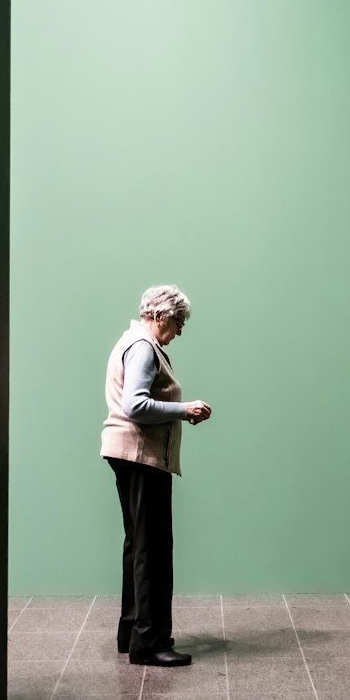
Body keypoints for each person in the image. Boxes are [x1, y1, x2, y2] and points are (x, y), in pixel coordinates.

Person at [100, 285, 212, 667]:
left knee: (138, 546)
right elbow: (136, 405)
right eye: (180, 322)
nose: (180, 331)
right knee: (153, 549)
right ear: (161, 315)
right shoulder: (145, 348)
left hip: (127, 454)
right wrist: (185, 408)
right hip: (142, 456)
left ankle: (132, 632)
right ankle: (149, 643)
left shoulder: (131, 342)